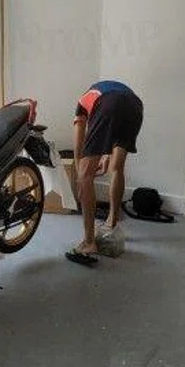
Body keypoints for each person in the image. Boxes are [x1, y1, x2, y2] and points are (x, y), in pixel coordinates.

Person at [66, 80, 143, 266]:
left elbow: (78, 145)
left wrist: (80, 172)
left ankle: (88, 242)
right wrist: (105, 154)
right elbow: (111, 128)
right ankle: (112, 222)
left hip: (110, 104)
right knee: (117, 167)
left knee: (85, 175)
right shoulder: (102, 90)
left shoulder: (82, 104)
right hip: (135, 107)